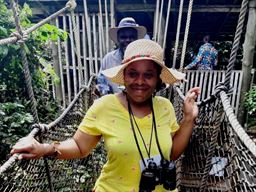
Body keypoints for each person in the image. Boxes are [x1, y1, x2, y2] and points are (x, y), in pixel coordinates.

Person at [11, 39, 200, 192]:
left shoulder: (164, 107)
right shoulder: (105, 105)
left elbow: (172, 153)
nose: (139, 81)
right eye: (133, 73)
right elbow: (79, 146)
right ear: (124, 76)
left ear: (158, 79)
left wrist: (189, 119)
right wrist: (44, 149)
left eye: (148, 75)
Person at [97, 17, 147, 95]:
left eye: (132, 37)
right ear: (118, 39)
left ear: (137, 39)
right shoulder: (108, 58)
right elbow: (101, 81)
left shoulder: (145, 59)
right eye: (123, 37)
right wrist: (106, 94)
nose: (128, 40)